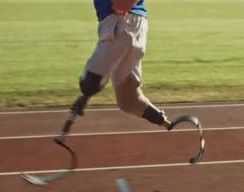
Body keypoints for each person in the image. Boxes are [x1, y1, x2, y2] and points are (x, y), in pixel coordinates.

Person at [66, 0, 172, 134]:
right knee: (129, 101)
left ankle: (88, 91)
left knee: (90, 81)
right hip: (127, 22)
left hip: (122, 20)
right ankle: (168, 123)